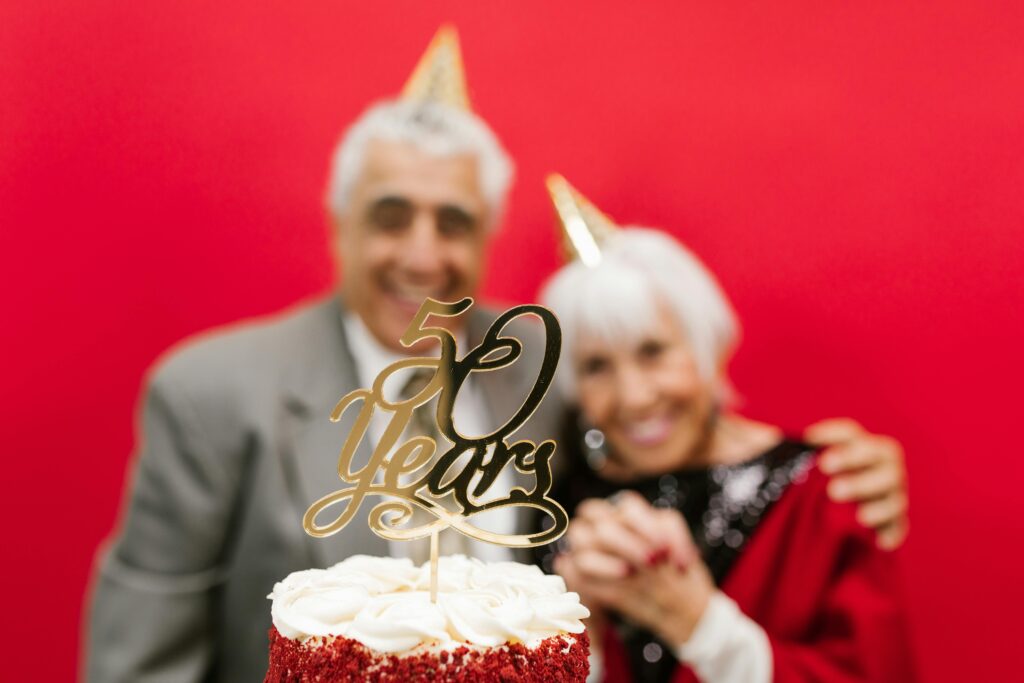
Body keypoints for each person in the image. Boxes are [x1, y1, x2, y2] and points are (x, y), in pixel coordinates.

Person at [84, 28, 909, 683]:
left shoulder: (540, 364)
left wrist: (833, 471)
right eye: (390, 215)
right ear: (339, 226)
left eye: (453, 222)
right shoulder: (211, 393)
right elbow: (139, 665)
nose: (423, 253)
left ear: (485, 235)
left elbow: (661, 422)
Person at [539, 175, 915, 683]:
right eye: (597, 367)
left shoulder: (823, 492)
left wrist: (699, 625)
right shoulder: (560, 506)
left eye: (653, 352)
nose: (633, 396)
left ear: (705, 349)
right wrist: (581, 632)